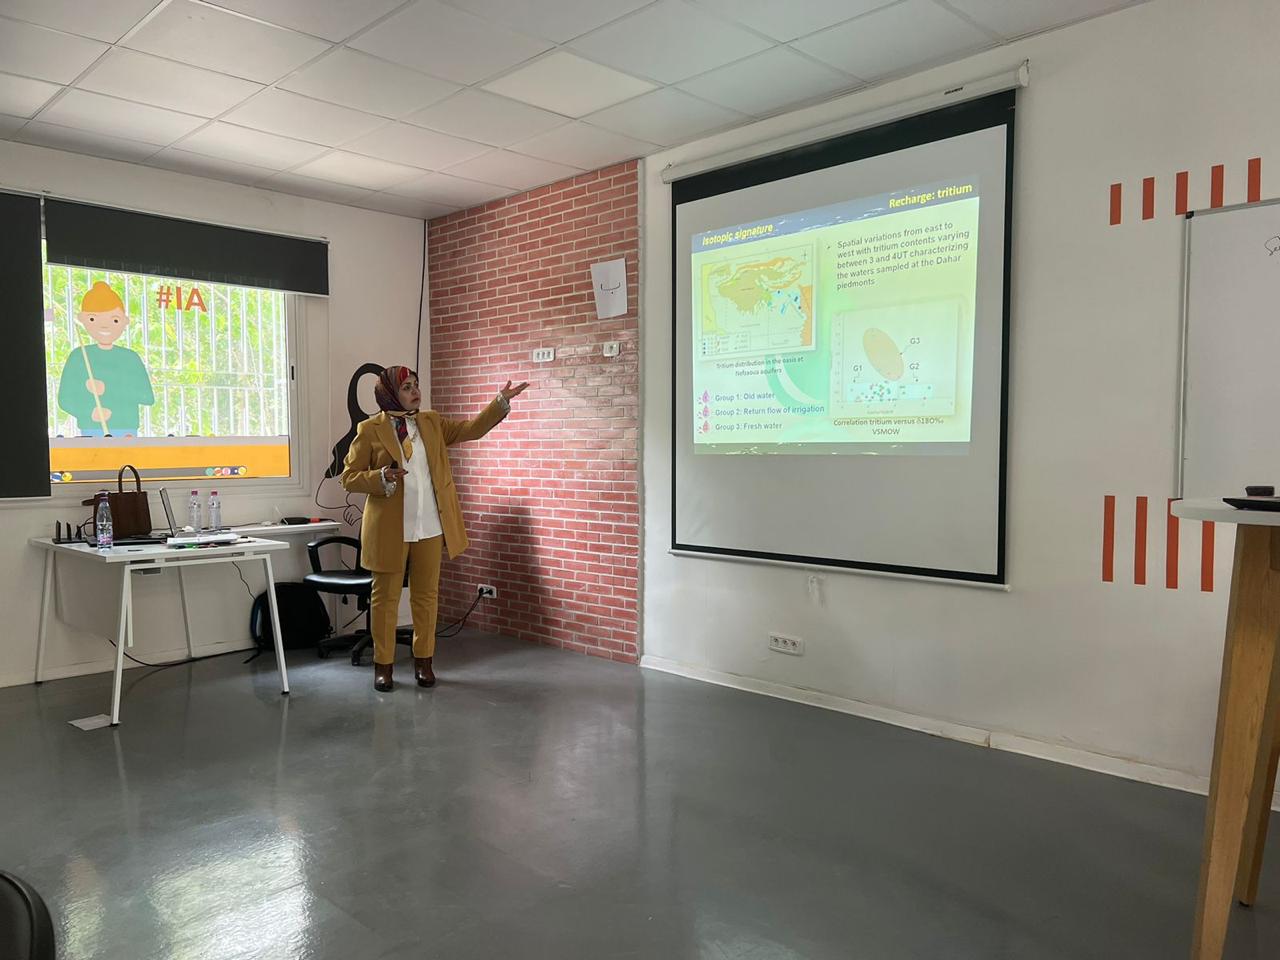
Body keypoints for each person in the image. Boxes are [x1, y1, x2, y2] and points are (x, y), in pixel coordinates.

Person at [341, 366, 528, 691]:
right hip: (388, 529)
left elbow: (471, 429)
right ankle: (383, 666)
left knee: (426, 597)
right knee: (384, 600)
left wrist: (500, 402)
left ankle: (424, 662)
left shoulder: (431, 422)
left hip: (429, 523)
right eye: (407, 387)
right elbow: (348, 477)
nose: (415, 391)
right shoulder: (370, 429)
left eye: (416, 385)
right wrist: (380, 477)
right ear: (390, 393)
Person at [57, 281, 155, 436]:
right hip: (91, 429)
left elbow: (147, 397)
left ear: (124, 321)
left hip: (126, 429)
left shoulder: (130, 358)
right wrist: (89, 412)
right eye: (93, 319)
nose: (104, 326)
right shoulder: (79, 356)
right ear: (82, 319)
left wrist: (108, 387)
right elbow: (65, 399)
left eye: (114, 320)